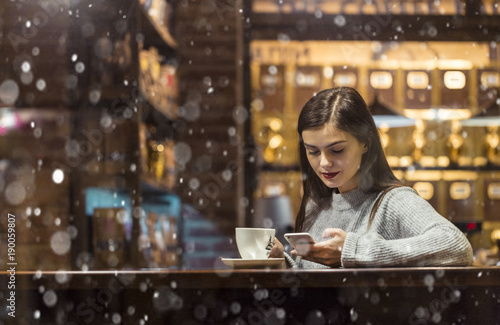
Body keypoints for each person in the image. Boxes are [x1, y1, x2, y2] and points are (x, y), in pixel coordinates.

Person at [270, 87, 473, 268]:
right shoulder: (317, 206)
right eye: (313, 151)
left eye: (337, 150)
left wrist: (353, 250)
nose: (324, 162)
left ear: (365, 143)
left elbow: (455, 244)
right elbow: (316, 285)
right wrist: (281, 263)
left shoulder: (394, 201)